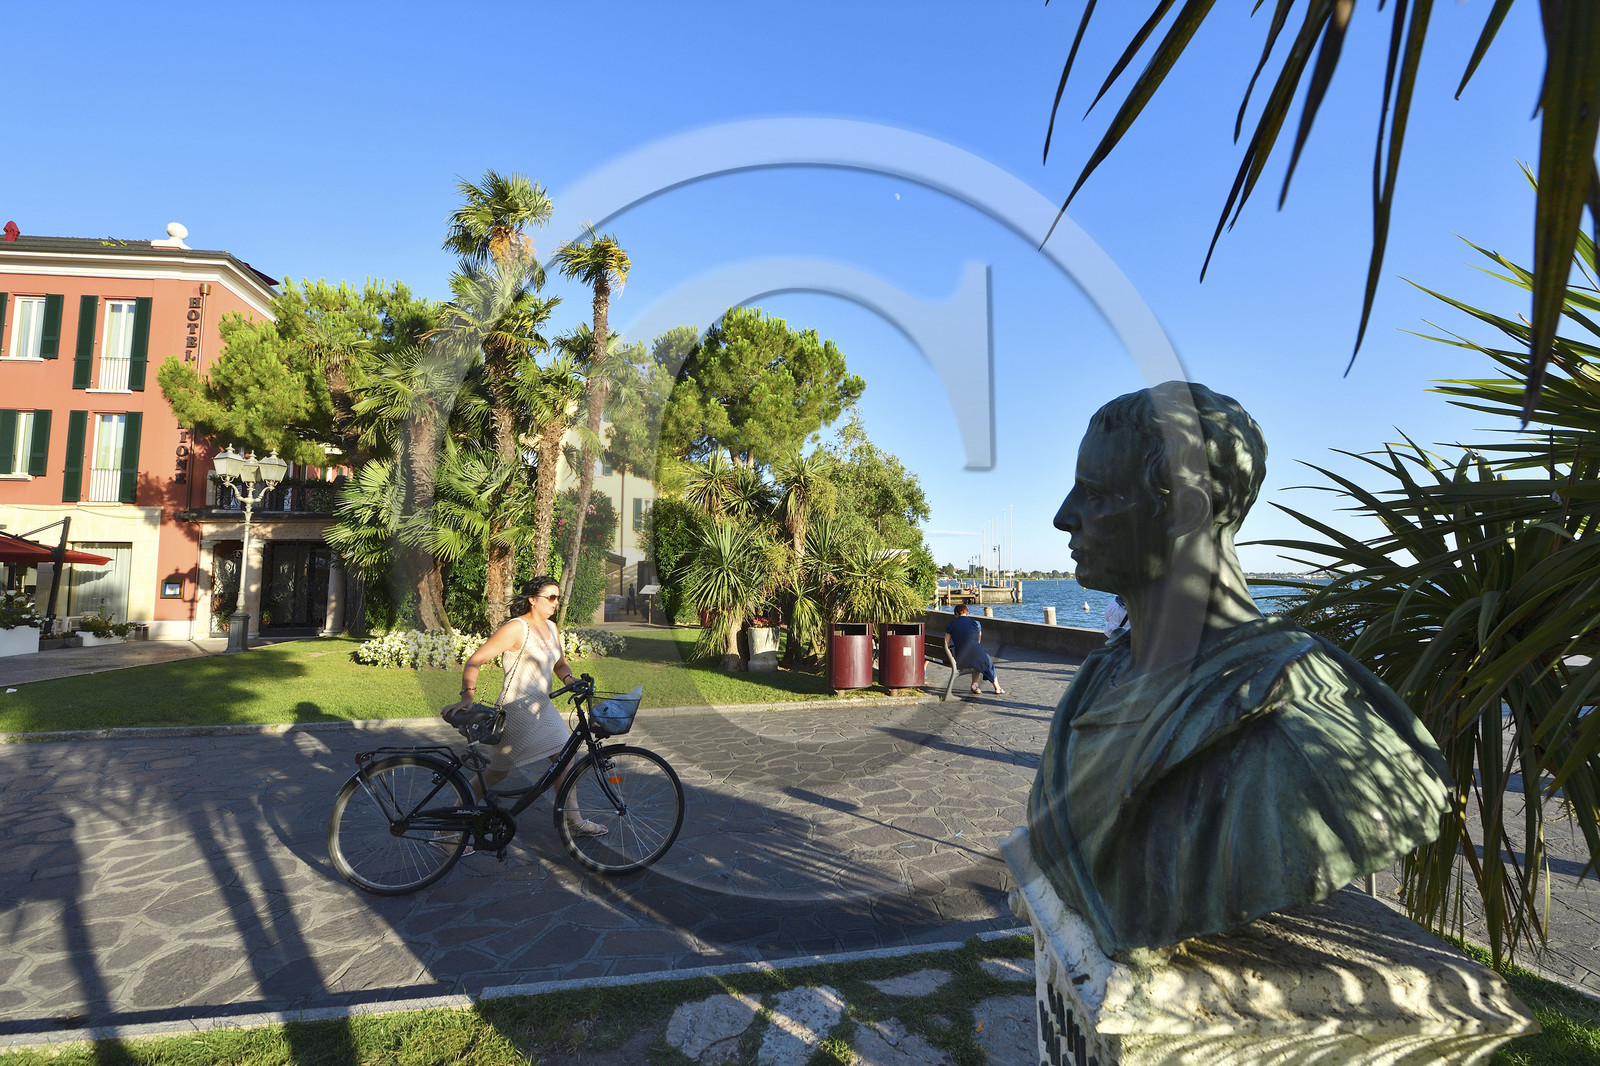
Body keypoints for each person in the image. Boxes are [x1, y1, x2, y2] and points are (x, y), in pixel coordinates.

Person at [1026, 381, 1449, 956]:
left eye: (1096, 494)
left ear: (1186, 510)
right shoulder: (1097, 680)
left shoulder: (1293, 733)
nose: (1064, 517)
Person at [443, 576, 608, 842]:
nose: (555, 602)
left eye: (558, 597)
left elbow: (560, 663)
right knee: (497, 773)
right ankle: (447, 830)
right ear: (532, 599)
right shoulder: (516, 628)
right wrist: (467, 696)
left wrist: (569, 679)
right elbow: (475, 660)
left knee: (564, 760)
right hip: (517, 712)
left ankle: (574, 821)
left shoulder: (551, 627)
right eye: (550, 597)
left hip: (543, 708)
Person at [943, 603, 1005, 695]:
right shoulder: (976, 624)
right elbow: (978, 641)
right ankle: (997, 687)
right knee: (986, 661)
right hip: (973, 657)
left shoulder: (951, 625)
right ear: (967, 613)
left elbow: (945, 643)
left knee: (978, 659)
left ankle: (975, 684)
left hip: (959, 659)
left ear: (956, 614)